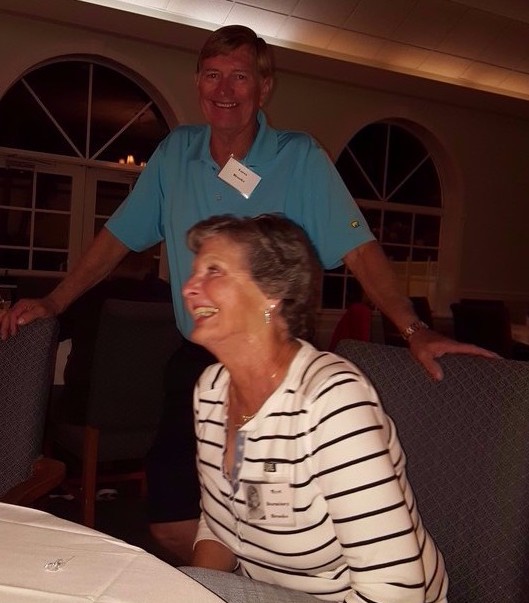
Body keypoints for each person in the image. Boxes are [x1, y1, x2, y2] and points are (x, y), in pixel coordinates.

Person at [0, 25, 493, 563]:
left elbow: (358, 249)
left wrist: (413, 328)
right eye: (213, 75)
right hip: (199, 363)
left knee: (273, 522)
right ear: (197, 82)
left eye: (239, 76)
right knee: (172, 520)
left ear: (264, 87)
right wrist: (56, 301)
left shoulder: (299, 157)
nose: (224, 89)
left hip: (277, 364)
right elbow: (116, 238)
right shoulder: (176, 153)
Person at [186, 213, 448, 603]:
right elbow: (220, 521)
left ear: (271, 293)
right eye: (193, 273)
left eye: (214, 271)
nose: (189, 287)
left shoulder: (330, 401)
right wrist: (192, 591)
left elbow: (396, 591)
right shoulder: (210, 391)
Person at [53, 249, 171, 424]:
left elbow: (53, 333)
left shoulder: (88, 296)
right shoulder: (167, 298)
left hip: (86, 410)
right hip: (154, 410)